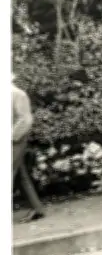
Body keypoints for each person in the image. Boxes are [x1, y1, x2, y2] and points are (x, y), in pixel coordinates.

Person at [13, 78, 46, 221]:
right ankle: (37, 209)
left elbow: (25, 120)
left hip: (15, 139)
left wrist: (11, 137)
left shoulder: (18, 94)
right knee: (20, 175)